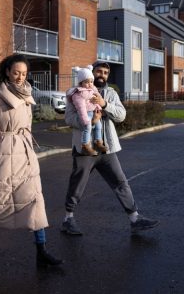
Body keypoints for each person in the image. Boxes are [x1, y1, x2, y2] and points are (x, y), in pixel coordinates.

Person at [0, 53, 62, 267]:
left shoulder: (26, 94)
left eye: (24, 73)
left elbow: (25, 128)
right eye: (16, 72)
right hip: (2, 158)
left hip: (26, 157)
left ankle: (41, 251)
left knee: (35, 201)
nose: (20, 77)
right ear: (7, 72)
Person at [62, 61, 159, 237]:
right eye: (99, 71)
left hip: (107, 149)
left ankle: (134, 219)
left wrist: (104, 104)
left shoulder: (110, 93)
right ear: (92, 73)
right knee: (78, 184)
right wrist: (88, 121)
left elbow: (121, 116)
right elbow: (68, 118)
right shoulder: (76, 93)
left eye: (105, 73)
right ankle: (68, 218)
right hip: (85, 149)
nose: (102, 75)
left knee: (120, 182)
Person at [67, 65, 108, 156]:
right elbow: (81, 108)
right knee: (88, 127)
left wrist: (99, 105)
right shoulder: (79, 94)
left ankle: (98, 142)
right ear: (81, 82)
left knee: (99, 126)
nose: (90, 84)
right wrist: (87, 120)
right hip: (87, 114)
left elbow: (97, 98)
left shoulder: (92, 89)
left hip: (94, 112)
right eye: (87, 82)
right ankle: (85, 144)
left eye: (91, 81)